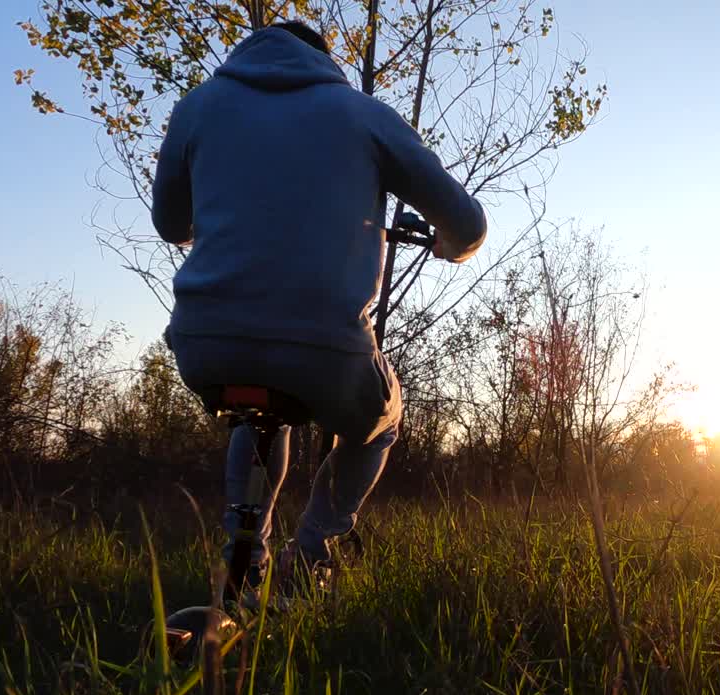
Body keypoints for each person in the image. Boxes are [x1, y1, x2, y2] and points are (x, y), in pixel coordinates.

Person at [151, 21, 485, 596]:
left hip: (205, 345)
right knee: (379, 424)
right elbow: (469, 224)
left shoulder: (198, 107)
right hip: (323, 350)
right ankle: (310, 556)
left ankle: (243, 553)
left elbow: (169, 224)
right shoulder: (361, 113)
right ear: (323, 61)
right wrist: (450, 247)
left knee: (255, 404)